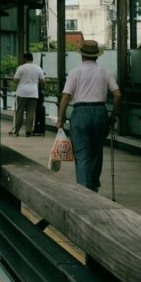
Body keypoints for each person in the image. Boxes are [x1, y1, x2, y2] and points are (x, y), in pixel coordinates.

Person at [56, 40, 121, 191]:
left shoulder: (75, 72)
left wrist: (60, 119)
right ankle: (93, 187)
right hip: (100, 112)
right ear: (97, 56)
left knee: (82, 153)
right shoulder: (105, 72)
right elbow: (117, 94)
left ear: (82, 55)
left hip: (81, 113)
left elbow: (66, 96)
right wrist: (112, 116)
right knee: (97, 152)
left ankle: (84, 190)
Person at [10, 53, 45, 137]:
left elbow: (15, 80)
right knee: (31, 112)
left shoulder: (21, 68)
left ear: (25, 59)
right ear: (32, 59)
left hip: (21, 93)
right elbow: (43, 81)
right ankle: (28, 131)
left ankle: (16, 130)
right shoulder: (38, 68)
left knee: (19, 112)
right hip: (33, 93)